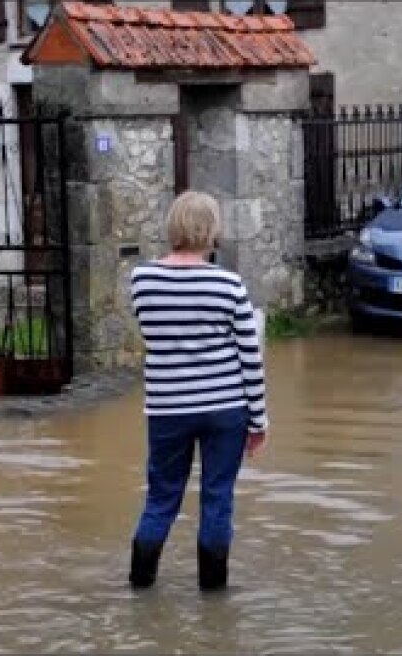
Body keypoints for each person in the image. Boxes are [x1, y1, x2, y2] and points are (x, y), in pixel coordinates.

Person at [127, 190, 269, 592]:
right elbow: (250, 357)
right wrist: (258, 420)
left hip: (167, 408)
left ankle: (140, 587)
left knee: (161, 498)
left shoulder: (142, 280)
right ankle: (213, 595)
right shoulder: (229, 285)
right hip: (226, 408)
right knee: (217, 497)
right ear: (212, 230)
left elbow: (154, 332)